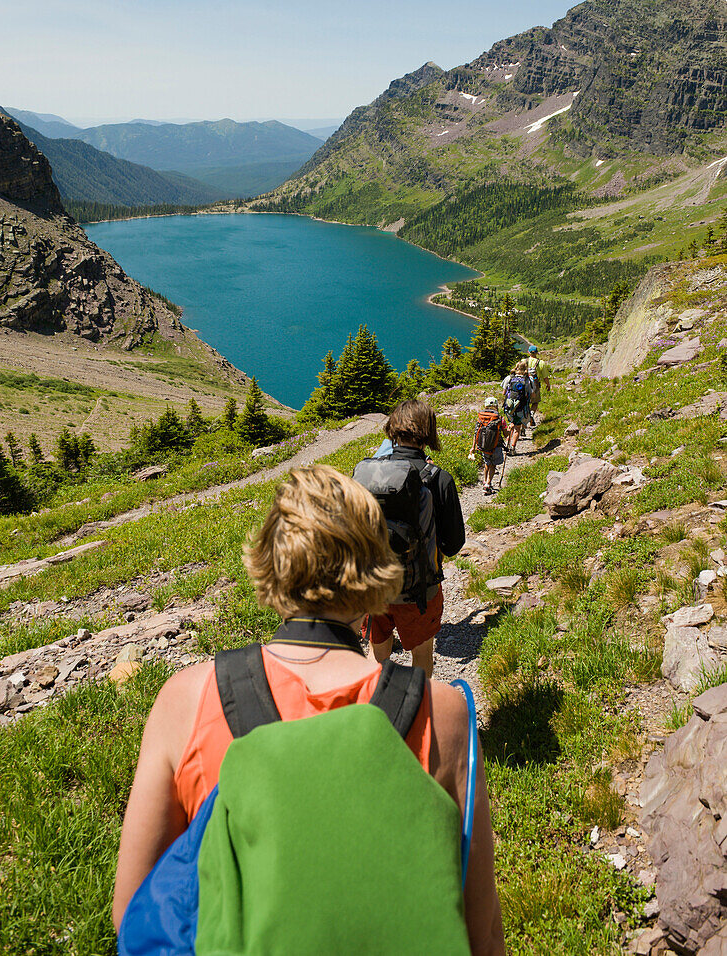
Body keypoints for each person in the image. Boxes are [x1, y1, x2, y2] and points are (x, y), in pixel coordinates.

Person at [112, 465, 505, 955]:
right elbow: (481, 932)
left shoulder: (185, 698)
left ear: (268, 564)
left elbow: (133, 908)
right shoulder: (440, 711)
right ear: (378, 569)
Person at [363, 399, 465, 678]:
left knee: (376, 654)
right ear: (428, 432)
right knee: (421, 656)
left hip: (373, 587)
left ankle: (375, 712)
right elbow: (454, 544)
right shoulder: (437, 478)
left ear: (393, 429)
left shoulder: (366, 472)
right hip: (420, 590)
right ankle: (416, 714)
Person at [470, 396, 510, 495]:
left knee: (487, 464)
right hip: (496, 446)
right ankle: (487, 484)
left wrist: (473, 447)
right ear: (496, 406)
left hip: (483, 447)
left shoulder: (481, 418)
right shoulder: (500, 419)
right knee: (493, 465)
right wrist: (510, 429)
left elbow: (476, 433)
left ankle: (485, 480)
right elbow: (506, 434)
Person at [501, 360, 531, 455]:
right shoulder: (526, 380)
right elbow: (530, 393)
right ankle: (513, 448)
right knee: (517, 428)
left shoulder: (509, 378)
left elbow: (503, 392)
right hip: (520, 407)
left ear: (516, 367)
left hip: (509, 406)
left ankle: (507, 443)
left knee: (511, 423)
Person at [527, 344, 550, 426]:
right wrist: (548, 385)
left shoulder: (524, 361)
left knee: (524, 403)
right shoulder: (541, 363)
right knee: (535, 402)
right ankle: (531, 414)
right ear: (537, 353)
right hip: (535, 385)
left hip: (524, 385)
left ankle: (522, 425)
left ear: (528, 352)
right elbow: (545, 376)